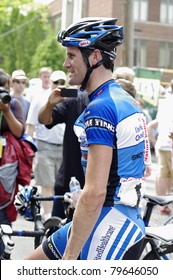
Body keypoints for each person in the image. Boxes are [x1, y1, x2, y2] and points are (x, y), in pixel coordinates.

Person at [26, 17, 150, 260]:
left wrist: (69, 259)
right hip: (108, 215)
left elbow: (94, 192)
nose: (66, 63)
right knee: (28, 266)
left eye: (72, 55)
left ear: (94, 57)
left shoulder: (101, 108)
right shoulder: (119, 98)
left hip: (110, 220)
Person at [39, 89, 88, 218]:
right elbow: (44, 120)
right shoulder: (76, 99)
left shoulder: (112, 104)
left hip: (98, 189)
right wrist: (50, 104)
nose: (67, 67)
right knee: (56, 232)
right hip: (69, 183)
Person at [25, 69, 66, 218]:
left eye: (62, 82)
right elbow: (30, 126)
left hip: (63, 147)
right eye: (56, 82)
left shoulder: (69, 99)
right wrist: (30, 152)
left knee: (60, 186)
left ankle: (55, 216)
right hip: (44, 146)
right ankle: (47, 216)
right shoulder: (39, 98)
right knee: (47, 185)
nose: (59, 85)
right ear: (51, 83)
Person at [0, 72, 25, 225]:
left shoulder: (14, 104)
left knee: (3, 205)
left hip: (6, 164)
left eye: (4, 89)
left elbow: (19, 132)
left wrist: (6, 111)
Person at [147, 91, 173, 214]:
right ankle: (164, 203)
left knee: (163, 174)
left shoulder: (165, 102)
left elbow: (151, 125)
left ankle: (163, 202)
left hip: (163, 143)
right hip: (168, 144)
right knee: (164, 174)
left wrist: (154, 141)